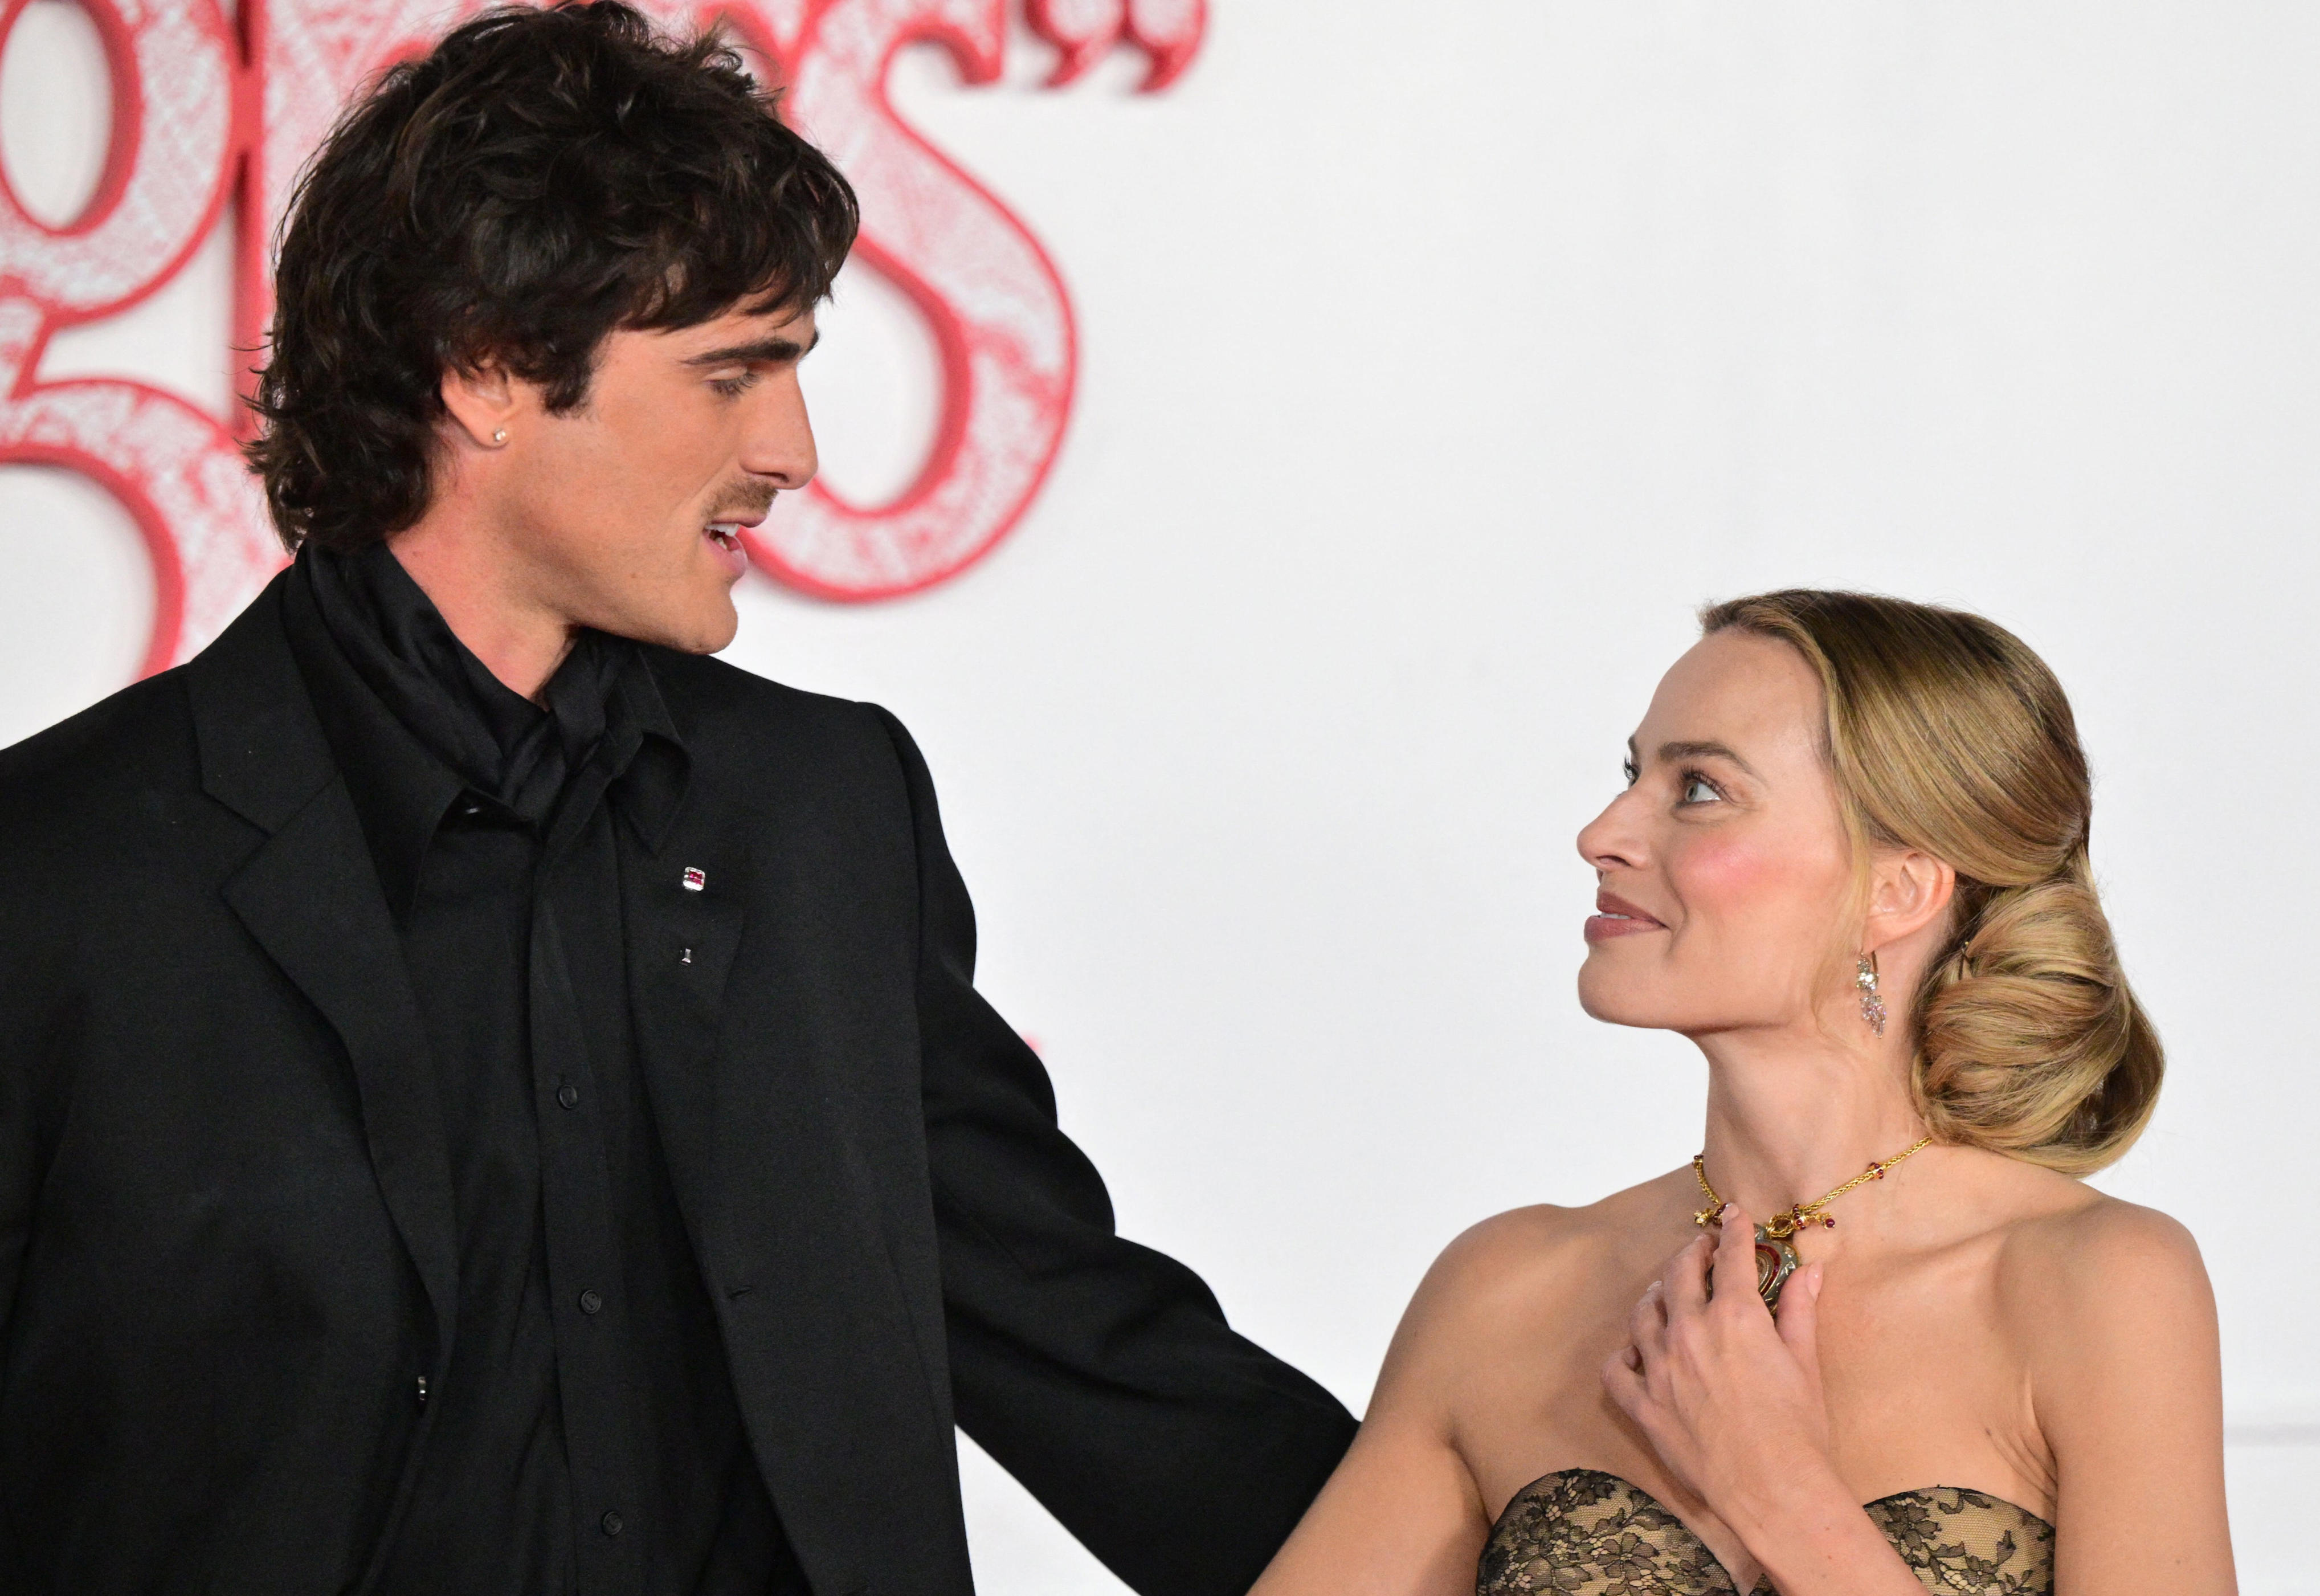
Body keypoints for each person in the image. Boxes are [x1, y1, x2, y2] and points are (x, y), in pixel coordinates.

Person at [0, 6, 1355, 1592]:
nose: (793, 448)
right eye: (731, 374)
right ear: (490, 371)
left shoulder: (823, 809)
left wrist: (1535, 1554)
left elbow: (1083, 1345)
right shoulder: (62, 872)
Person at [1252, 591, 2237, 1596]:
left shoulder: (2097, 1284)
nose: (1601, 832)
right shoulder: (1507, 1289)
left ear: (1895, 889)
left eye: (1701, 789)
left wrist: (1783, 1494)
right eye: (1635, 773)